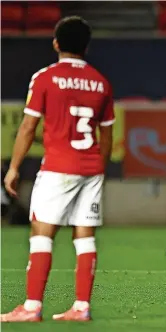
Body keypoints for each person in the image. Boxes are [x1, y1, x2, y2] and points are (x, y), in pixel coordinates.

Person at [1, 16, 115, 322]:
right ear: (86, 46)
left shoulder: (45, 78)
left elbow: (27, 127)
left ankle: (32, 307)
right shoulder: (101, 82)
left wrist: (12, 168)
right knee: (85, 236)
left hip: (57, 168)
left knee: (41, 233)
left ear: (56, 43)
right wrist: (98, 168)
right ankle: (81, 307)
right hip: (91, 168)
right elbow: (107, 136)